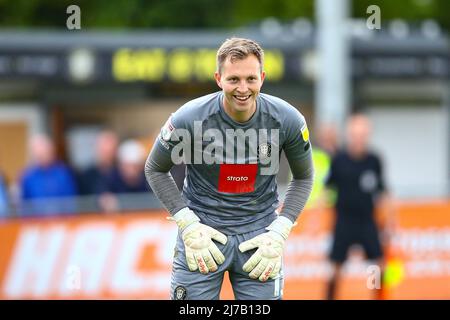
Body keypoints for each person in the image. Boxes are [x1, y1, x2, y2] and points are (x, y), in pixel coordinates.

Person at [145, 37, 314, 300]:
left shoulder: (288, 119)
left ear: (263, 77)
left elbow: (304, 177)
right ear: (218, 79)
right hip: (202, 235)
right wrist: (187, 223)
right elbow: (155, 169)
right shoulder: (189, 118)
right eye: (234, 79)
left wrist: (282, 229)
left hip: (260, 240)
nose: (243, 88)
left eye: (251, 79)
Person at [324, 113, 393, 300]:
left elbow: (383, 192)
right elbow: (327, 189)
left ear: (368, 135)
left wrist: (390, 222)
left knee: (377, 267)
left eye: (363, 134)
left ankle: (376, 296)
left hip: (367, 221)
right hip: (344, 221)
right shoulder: (339, 160)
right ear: (349, 135)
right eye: (355, 134)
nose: (359, 138)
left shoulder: (374, 160)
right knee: (334, 269)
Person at [19, 134, 78, 216]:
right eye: (37, 152)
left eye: (44, 151)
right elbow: (25, 205)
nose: (41, 155)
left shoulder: (64, 173)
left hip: (62, 221)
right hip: (36, 223)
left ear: (50, 150)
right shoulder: (28, 176)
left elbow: (72, 202)